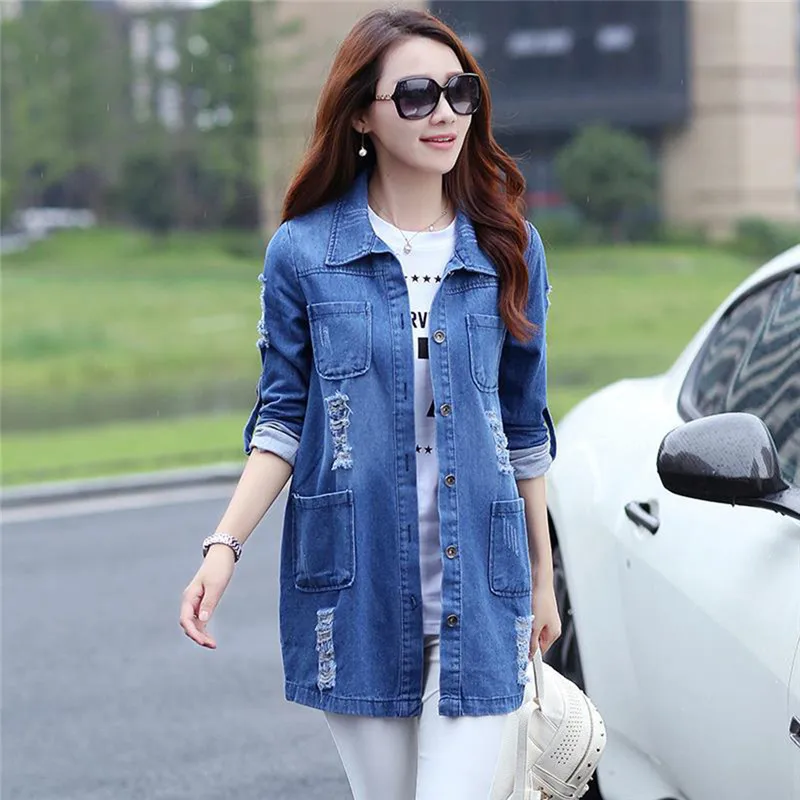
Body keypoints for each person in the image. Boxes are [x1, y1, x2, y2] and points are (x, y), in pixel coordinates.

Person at [179, 7, 561, 799]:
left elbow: (524, 426)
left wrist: (543, 577)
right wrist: (223, 547)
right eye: (417, 96)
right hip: (353, 596)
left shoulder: (509, 248)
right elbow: (282, 420)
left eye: (460, 91)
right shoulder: (303, 253)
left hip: (481, 593)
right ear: (361, 114)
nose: (445, 113)